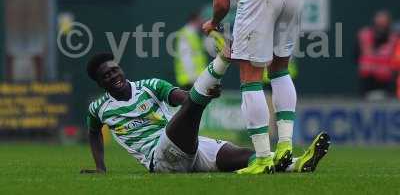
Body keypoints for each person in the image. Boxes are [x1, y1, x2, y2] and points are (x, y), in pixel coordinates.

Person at [80, 49, 330, 174]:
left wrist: (197, 98)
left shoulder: (149, 86)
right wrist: (100, 168)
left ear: (121, 69)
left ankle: (297, 164)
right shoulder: (98, 108)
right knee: (193, 106)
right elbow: (93, 133)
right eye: (107, 75)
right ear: (100, 83)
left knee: (247, 156)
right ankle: (222, 59)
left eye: (115, 70)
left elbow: (183, 99)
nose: (114, 76)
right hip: (161, 159)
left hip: (189, 146)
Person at [197, 0, 304, 174]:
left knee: (250, 76)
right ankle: (285, 146)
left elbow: (222, 2)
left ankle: (264, 158)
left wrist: (213, 22)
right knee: (279, 69)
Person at [356, 11, 398, 98]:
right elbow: (356, 55)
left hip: (386, 80)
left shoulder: (394, 38)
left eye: (384, 22)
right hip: (368, 79)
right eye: (379, 21)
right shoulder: (364, 35)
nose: (381, 25)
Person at [174, 12, 208, 90]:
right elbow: (186, 58)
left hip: (195, 79)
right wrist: (193, 77)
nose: (202, 22)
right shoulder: (186, 34)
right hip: (190, 80)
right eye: (200, 20)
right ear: (194, 20)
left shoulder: (193, 34)